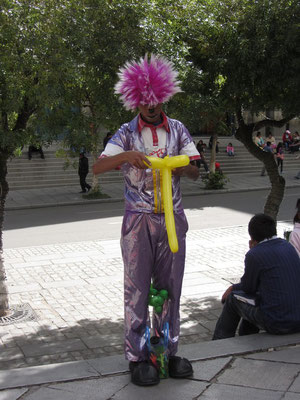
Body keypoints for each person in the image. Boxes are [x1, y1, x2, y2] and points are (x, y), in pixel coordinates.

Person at [93, 54, 200, 386]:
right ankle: (137, 357)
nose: (151, 106)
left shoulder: (178, 130)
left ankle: (166, 350)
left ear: (164, 96)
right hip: (138, 221)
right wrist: (127, 156)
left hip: (172, 219)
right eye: (145, 101)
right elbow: (98, 167)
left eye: (156, 100)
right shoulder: (125, 132)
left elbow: (196, 171)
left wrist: (180, 165)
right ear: (135, 100)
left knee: (172, 289)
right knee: (137, 290)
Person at [213, 213, 300, 340]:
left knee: (233, 299)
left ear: (252, 236)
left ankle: (219, 342)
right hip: (297, 319)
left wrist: (233, 288)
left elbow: (248, 288)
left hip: (277, 323)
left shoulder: (255, 254)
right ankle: (246, 337)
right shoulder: (288, 246)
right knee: (255, 299)